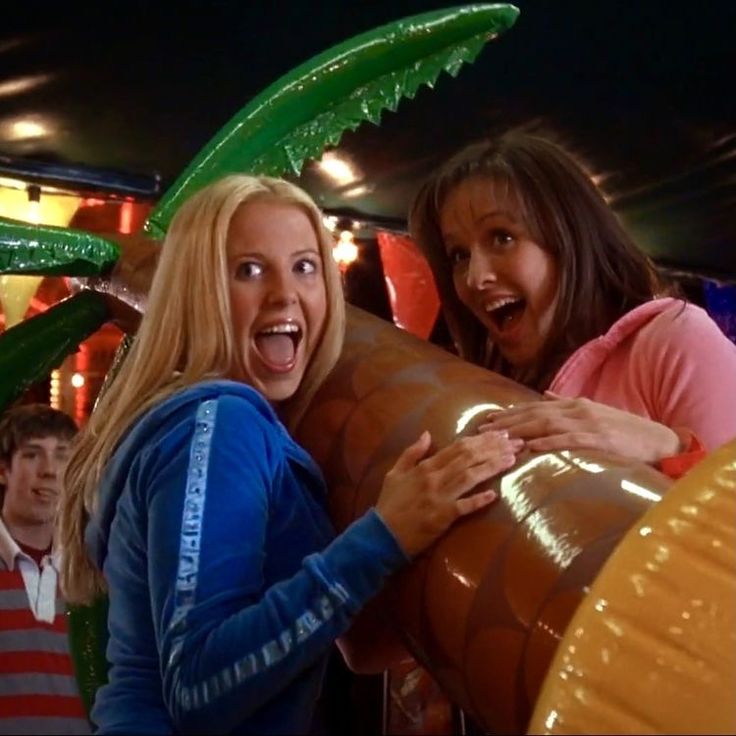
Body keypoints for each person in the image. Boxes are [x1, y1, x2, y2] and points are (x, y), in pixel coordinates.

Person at [57, 174, 520, 735]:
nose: (284, 294)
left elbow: (356, 650)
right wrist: (382, 538)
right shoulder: (221, 420)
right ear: (197, 291)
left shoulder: (216, 422)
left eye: (304, 267)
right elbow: (201, 687)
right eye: (249, 270)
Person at [409, 131, 736, 476]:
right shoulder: (482, 386)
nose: (475, 277)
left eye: (502, 238)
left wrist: (669, 448)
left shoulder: (674, 339)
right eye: (459, 255)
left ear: (570, 237)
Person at [0, 403, 90, 735]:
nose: (50, 470)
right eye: (32, 455)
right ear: (3, 469)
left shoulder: (97, 573)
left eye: (62, 455)